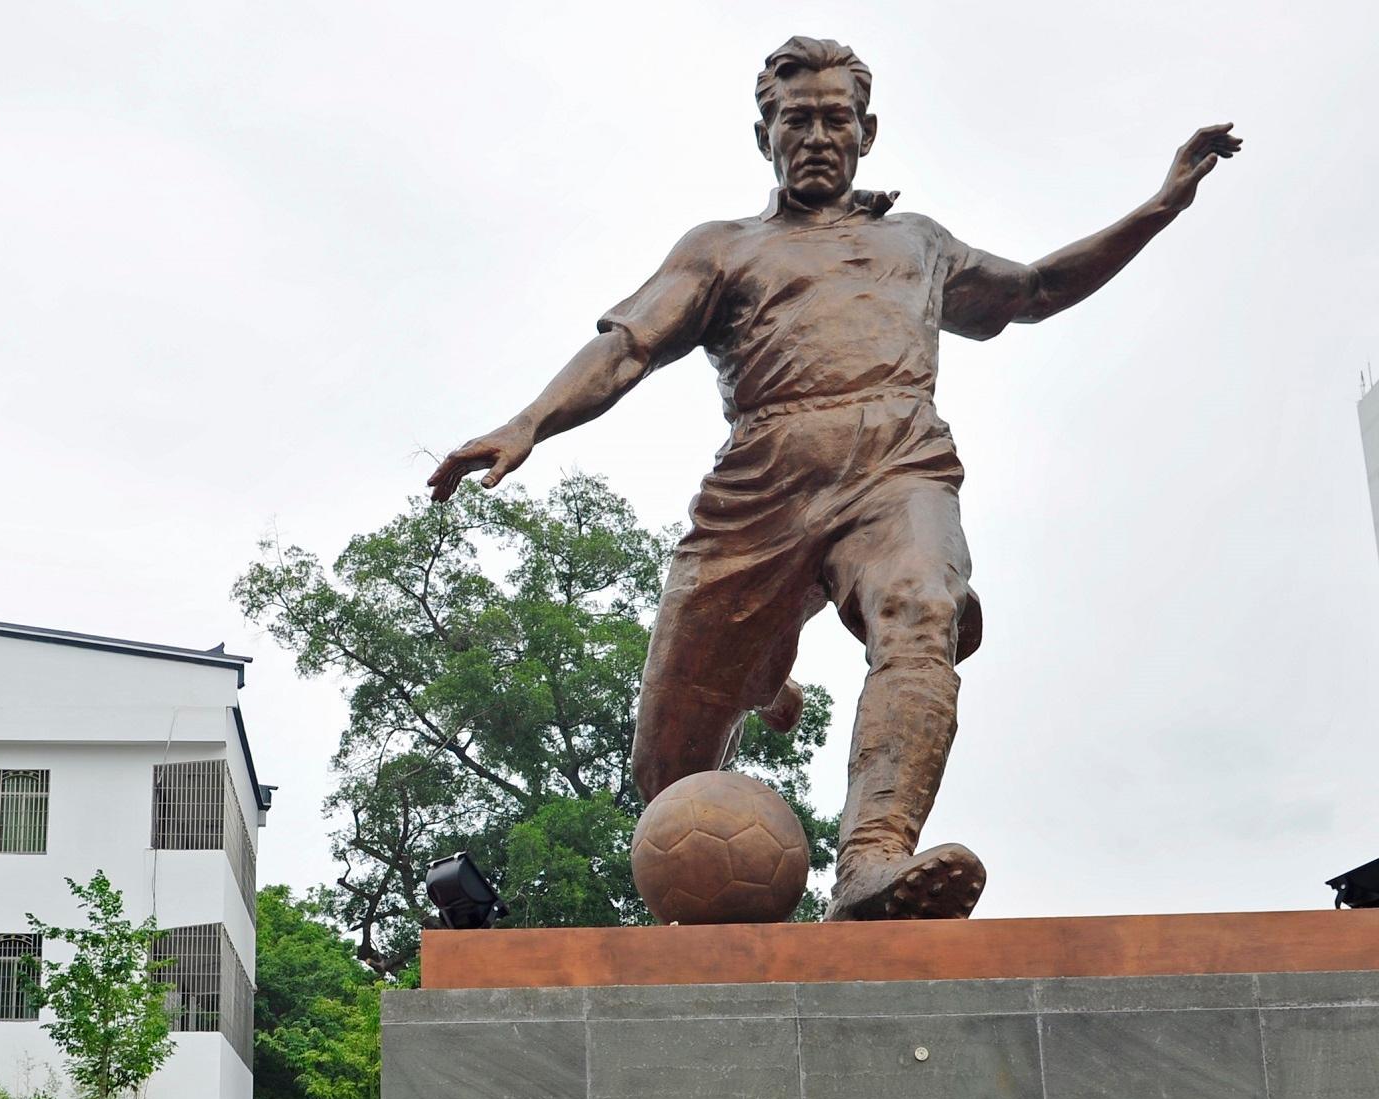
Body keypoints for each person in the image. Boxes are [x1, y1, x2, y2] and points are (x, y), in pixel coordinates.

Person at [429, 36, 1239, 921]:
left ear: (867, 132)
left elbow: (1036, 287)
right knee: (667, 771)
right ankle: (765, 664)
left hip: (898, 463)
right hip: (761, 484)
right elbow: (629, 348)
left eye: (835, 119)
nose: (817, 135)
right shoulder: (723, 250)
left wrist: (1158, 208)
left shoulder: (917, 246)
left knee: (921, 607)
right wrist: (527, 424)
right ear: (763, 136)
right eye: (796, 119)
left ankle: (872, 860)